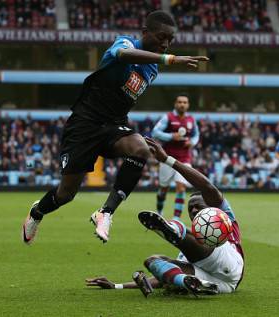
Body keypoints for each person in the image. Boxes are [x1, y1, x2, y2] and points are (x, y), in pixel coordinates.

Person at [22, 10, 209, 244]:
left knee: (141, 148)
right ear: (145, 33)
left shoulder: (152, 70)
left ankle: (106, 212)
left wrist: (162, 59)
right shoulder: (125, 42)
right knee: (66, 194)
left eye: (170, 40)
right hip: (84, 124)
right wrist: (170, 58)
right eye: (162, 37)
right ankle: (37, 212)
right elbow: (123, 55)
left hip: (113, 125)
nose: (166, 43)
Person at [86, 137, 244, 295]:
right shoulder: (190, 248)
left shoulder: (225, 214)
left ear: (210, 205)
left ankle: (174, 229)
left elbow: (206, 186)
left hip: (231, 264)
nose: (194, 210)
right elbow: (161, 278)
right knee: (153, 261)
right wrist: (117, 286)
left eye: (198, 206)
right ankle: (186, 282)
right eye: (190, 208)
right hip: (220, 284)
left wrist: (167, 160)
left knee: (191, 234)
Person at [151, 93, 199, 219]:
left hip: (184, 158)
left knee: (181, 187)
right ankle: (160, 212)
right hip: (167, 157)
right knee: (163, 189)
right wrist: (171, 136)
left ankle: (176, 219)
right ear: (175, 104)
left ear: (188, 105)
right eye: (179, 102)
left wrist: (192, 142)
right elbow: (155, 132)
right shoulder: (168, 117)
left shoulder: (191, 120)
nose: (182, 104)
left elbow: (196, 135)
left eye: (184, 102)